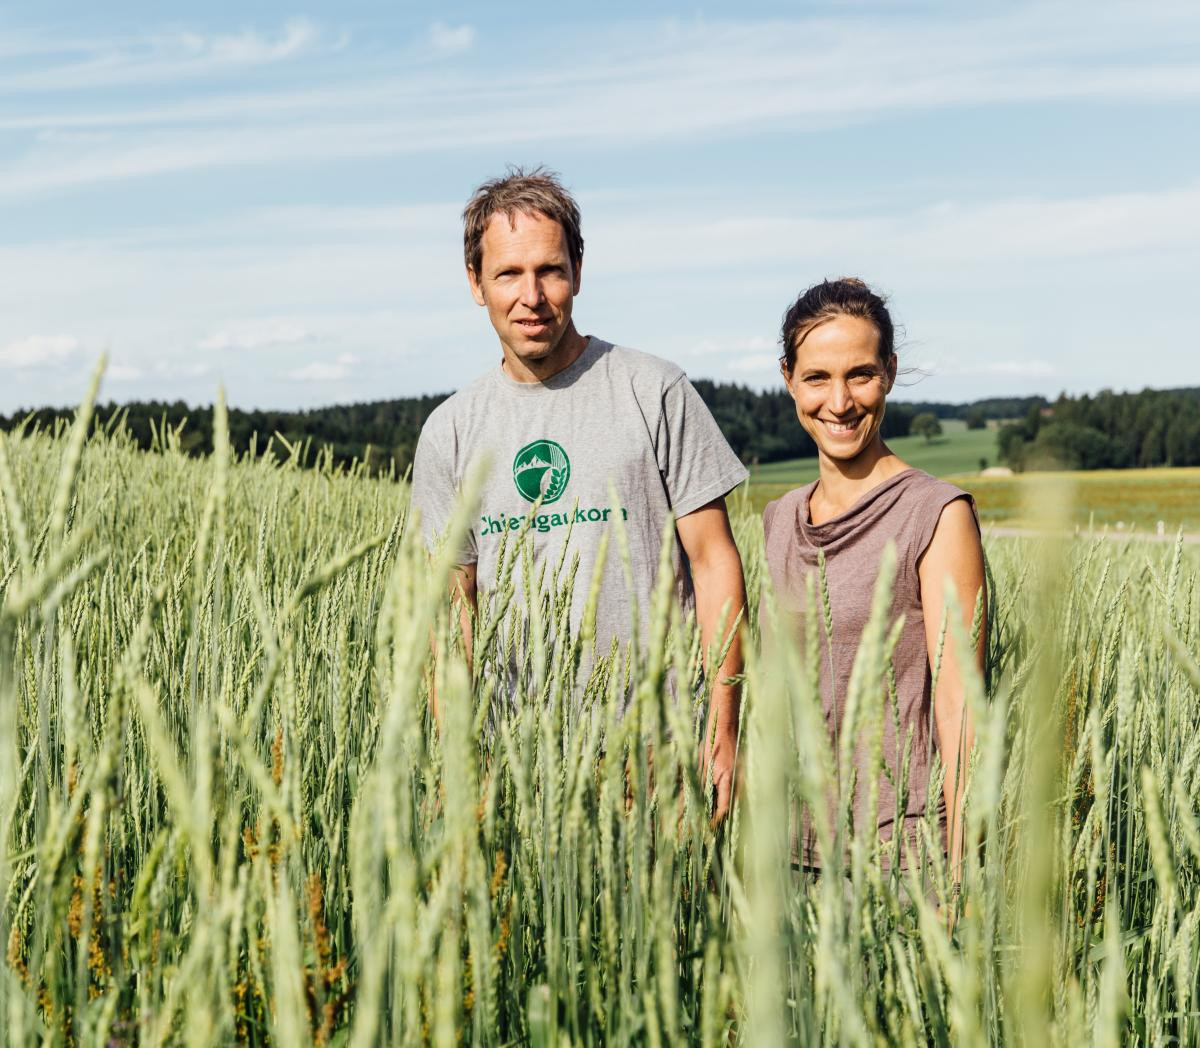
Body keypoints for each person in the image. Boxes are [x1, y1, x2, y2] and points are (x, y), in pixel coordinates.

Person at [411, 167, 749, 820]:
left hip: (661, 752)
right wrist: (455, 756)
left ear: (578, 271)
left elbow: (714, 565)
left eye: (550, 271)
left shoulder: (655, 391)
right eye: (508, 274)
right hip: (517, 765)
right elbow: (451, 616)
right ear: (475, 282)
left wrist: (722, 727)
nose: (531, 295)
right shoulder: (450, 432)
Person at [761, 278, 985, 883]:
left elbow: (962, 704)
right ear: (788, 379)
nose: (840, 402)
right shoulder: (779, 519)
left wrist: (960, 868)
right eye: (817, 378)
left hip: (898, 860)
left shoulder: (936, 514)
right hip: (784, 850)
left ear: (889, 371)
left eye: (860, 374)